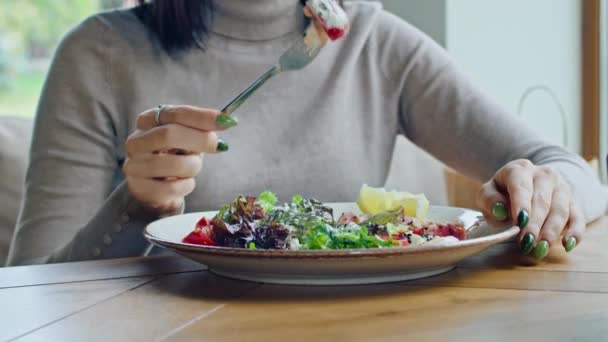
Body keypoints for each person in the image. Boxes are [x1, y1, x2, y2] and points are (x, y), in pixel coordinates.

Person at [7, 0, 607, 266]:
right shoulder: (98, 55)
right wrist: (135, 204)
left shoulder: (373, 41)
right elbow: (33, 288)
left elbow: (570, 170)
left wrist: (549, 191)